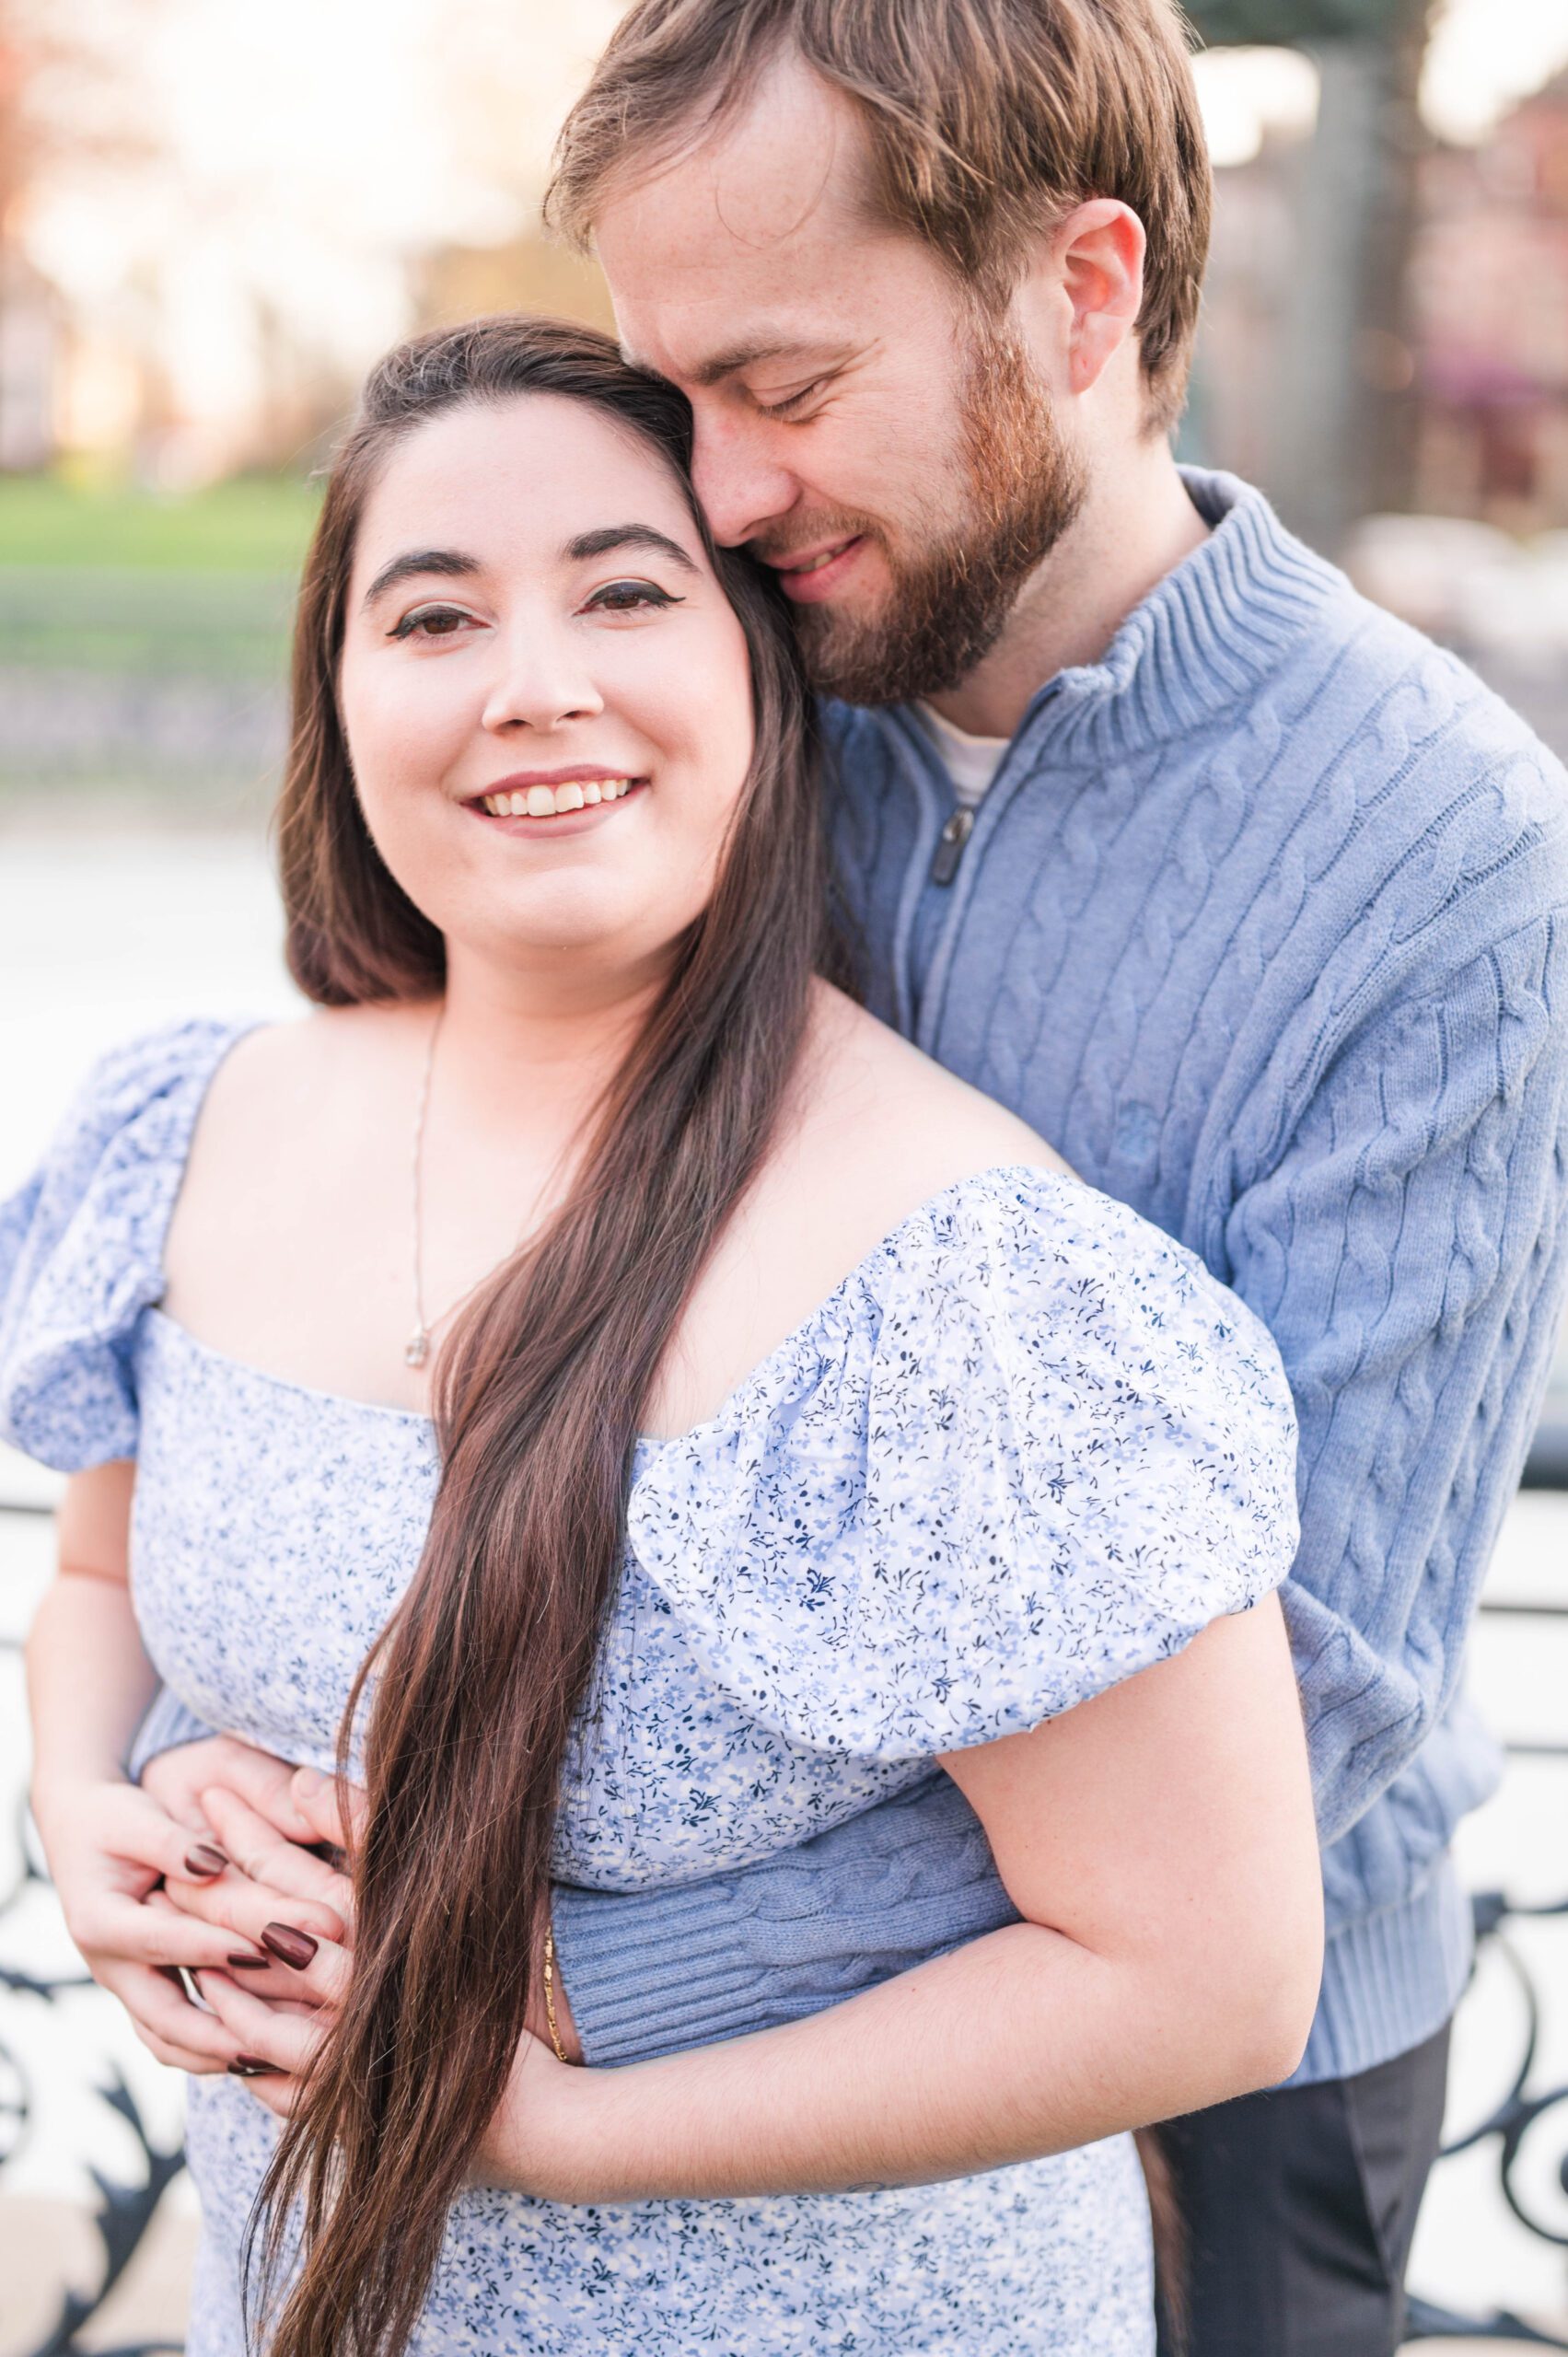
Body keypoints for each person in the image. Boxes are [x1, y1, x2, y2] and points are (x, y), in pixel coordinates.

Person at [71, 0, 1568, 2347]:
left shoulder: (1445, 856)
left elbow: (1318, 1685)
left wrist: (521, 1956)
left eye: (781, 386)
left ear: (1083, 296)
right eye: (689, 411)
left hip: (1243, 2063)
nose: (730, 488)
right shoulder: (765, 653)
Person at [8, 317, 1319, 2357]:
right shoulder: (206, 1121)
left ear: (758, 674)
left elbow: (1209, 1972)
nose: (537, 684)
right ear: (340, 697)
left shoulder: (950, 1278)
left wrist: (548, 2126)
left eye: (627, 591)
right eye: (432, 616)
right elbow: (103, 1566)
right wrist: (83, 1818)